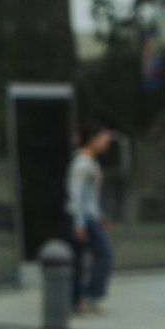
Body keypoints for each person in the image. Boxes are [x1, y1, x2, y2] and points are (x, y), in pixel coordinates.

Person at [67, 126, 114, 315]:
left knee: (81, 259)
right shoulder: (83, 163)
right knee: (102, 253)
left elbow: (89, 197)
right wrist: (79, 223)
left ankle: (81, 298)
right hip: (82, 217)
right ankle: (87, 296)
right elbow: (77, 195)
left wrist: (100, 216)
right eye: (104, 140)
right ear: (93, 139)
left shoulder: (90, 162)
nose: (107, 144)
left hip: (87, 216)